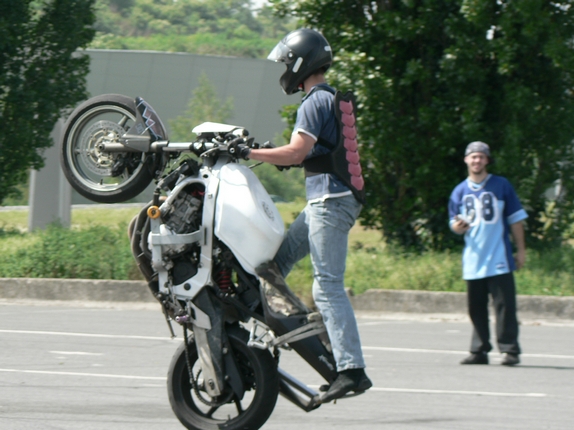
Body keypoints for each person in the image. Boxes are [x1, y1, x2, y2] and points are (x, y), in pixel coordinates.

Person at [230, 28, 372, 402]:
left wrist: (248, 153)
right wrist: (273, 153)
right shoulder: (329, 98)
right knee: (275, 264)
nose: (284, 68)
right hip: (327, 201)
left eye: (286, 61)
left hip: (330, 202)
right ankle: (274, 332)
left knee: (326, 285)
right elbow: (312, 152)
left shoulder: (313, 102)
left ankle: (351, 369)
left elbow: (296, 152)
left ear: (300, 62)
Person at [448, 141, 528, 366]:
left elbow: (516, 220)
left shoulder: (501, 185)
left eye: (481, 157)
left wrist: (520, 250)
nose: (477, 161)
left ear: (487, 160)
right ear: (466, 160)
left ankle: (509, 349)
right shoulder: (460, 191)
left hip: (499, 257)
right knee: (476, 308)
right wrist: (458, 226)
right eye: (473, 157)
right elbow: (453, 223)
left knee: (505, 306)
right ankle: (479, 349)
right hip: (473, 259)